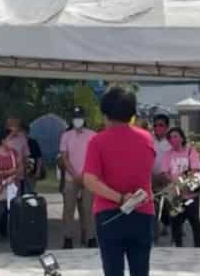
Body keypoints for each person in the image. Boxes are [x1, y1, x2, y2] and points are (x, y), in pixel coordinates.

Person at [83, 87, 156, 276]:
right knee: (140, 270)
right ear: (132, 112)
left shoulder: (97, 142)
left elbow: (90, 180)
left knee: (113, 270)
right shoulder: (147, 138)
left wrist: (120, 198)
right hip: (142, 211)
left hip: (109, 214)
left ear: (105, 112)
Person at [158, 127, 200, 248]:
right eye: (170, 137)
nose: (173, 139)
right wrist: (175, 182)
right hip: (175, 195)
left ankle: (198, 247)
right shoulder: (168, 155)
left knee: (194, 220)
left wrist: (181, 182)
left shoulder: (191, 152)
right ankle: (178, 247)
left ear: (182, 138)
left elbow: (195, 170)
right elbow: (164, 172)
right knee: (176, 222)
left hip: (191, 195)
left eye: (175, 136)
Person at [59, 106, 97, 249]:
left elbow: (94, 157)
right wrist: (75, 175)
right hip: (71, 177)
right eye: (75, 117)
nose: (78, 120)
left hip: (88, 177)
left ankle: (91, 238)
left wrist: (84, 175)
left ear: (84, 118)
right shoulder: (66, 136)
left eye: (80, 117)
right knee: (68, 208)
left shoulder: (93, 135)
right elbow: (64, 158)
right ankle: (68, 238)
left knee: (89, 208)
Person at [150, 114, 172, 242]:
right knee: (154, 206)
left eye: (161, 125)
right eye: (156, 125)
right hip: (152, 178)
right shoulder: (149, 140)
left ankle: (169, 226)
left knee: (168, 205)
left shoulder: (171, 142)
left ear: (167, 127)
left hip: (167, 179)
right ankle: (154, 235)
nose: (158, 128)